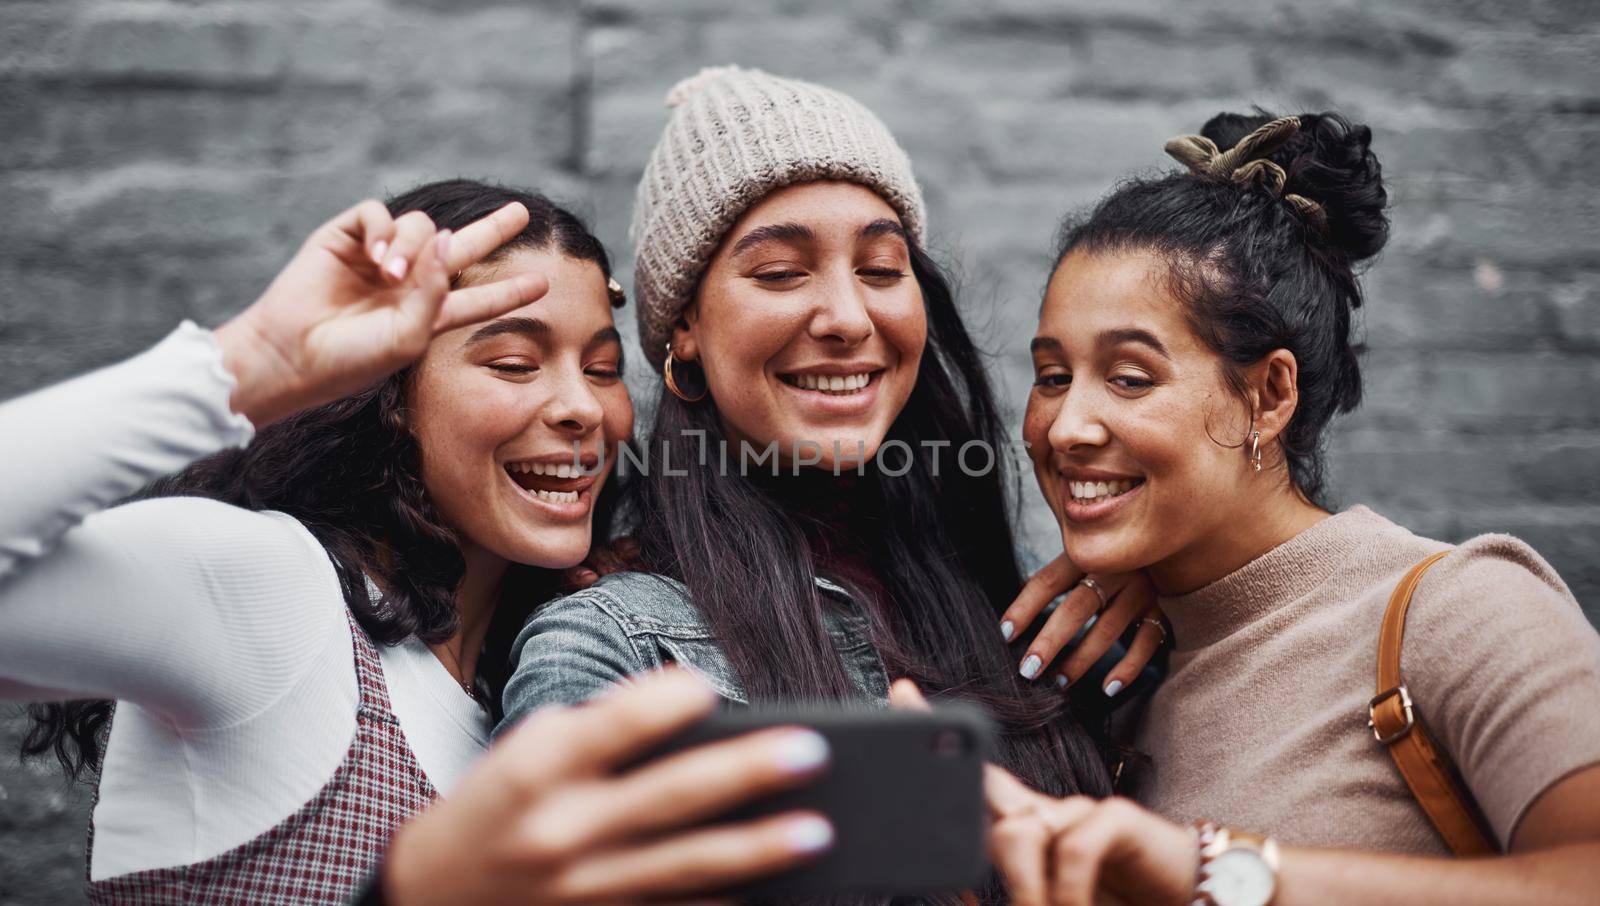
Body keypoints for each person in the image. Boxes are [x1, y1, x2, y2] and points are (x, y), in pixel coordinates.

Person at [4, 179, 834, 902]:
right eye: (514, 363)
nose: (583, 407)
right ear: (390, 397)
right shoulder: (276, 594)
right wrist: (246, 364)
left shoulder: (540, 682)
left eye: (604, 367)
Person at [499, 68, 1168, 905]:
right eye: (780, 273)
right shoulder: (610, 653)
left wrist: (1176, 582)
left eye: (883, 268)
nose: (848, 316)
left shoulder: (1028, 605)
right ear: (686, 331)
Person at [989, 110, 1600, 905]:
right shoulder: (1118, 673)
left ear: (1269, 394)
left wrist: (1217, 873)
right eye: (1052, 376)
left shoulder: (1461, 609)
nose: (1066, 428)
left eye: (1130, 377)